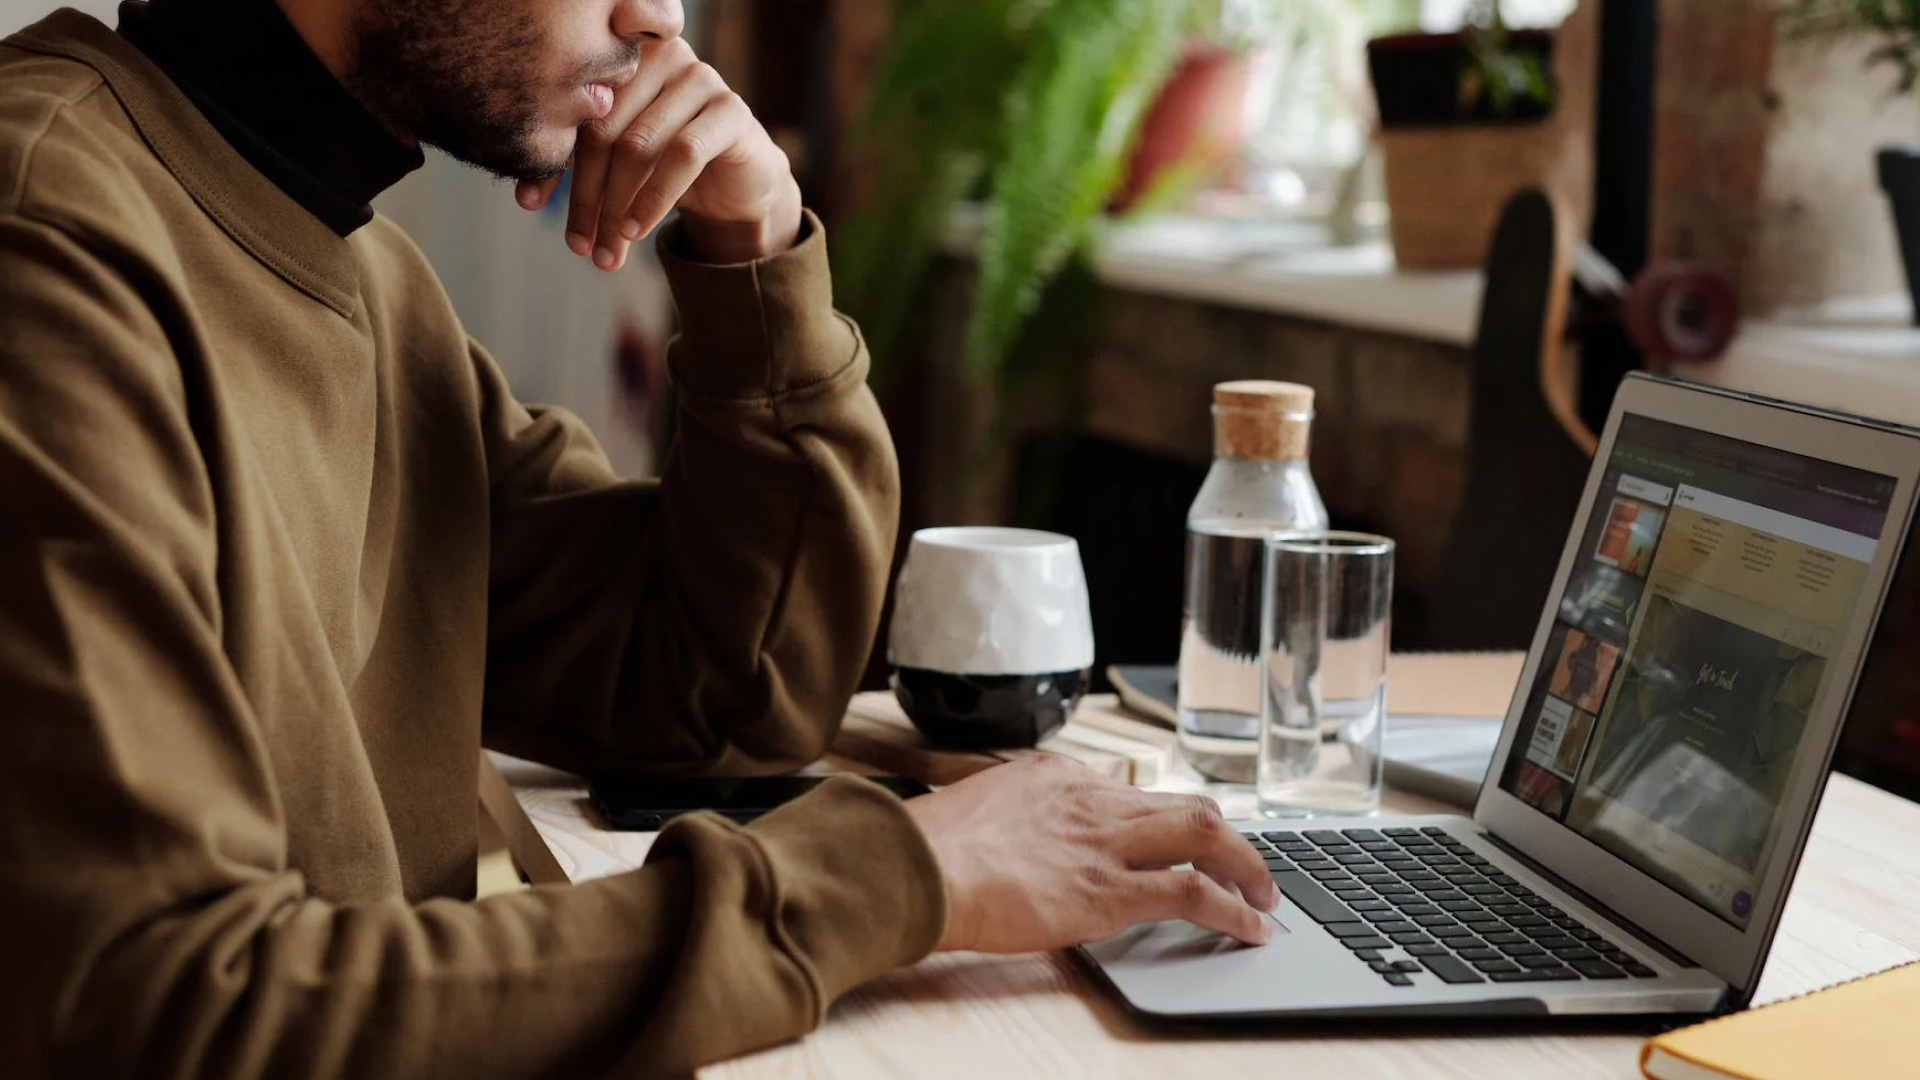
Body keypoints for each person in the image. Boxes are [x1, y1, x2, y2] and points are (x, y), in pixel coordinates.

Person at [0, 0, 1282, 1075]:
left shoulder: (355, 267)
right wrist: (899, 878)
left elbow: (719, 688)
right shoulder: (50, 239)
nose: (660, 20)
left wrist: (754, 250)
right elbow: (161, 1003)